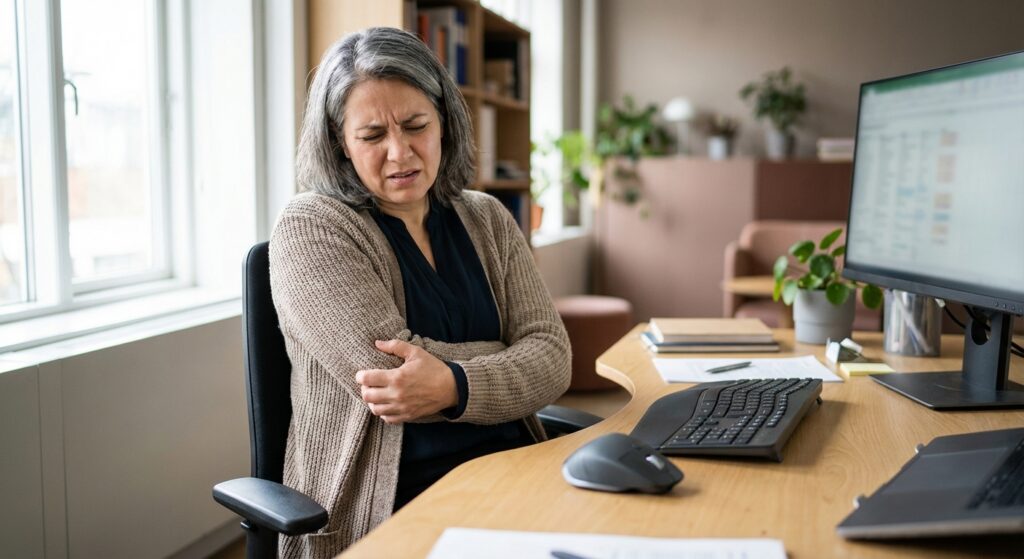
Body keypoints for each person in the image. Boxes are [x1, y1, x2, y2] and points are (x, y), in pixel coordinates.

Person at [269, 27, 572, 557]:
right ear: (340, 143)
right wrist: (505, 360)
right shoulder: (311, 227)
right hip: (393, 504)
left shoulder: (488, 218)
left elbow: (554, 357)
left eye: (415, 126)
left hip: (517, 473)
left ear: (445, 124)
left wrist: (452, 381)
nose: (399, 152)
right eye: (371, 136)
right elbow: (391, 385)